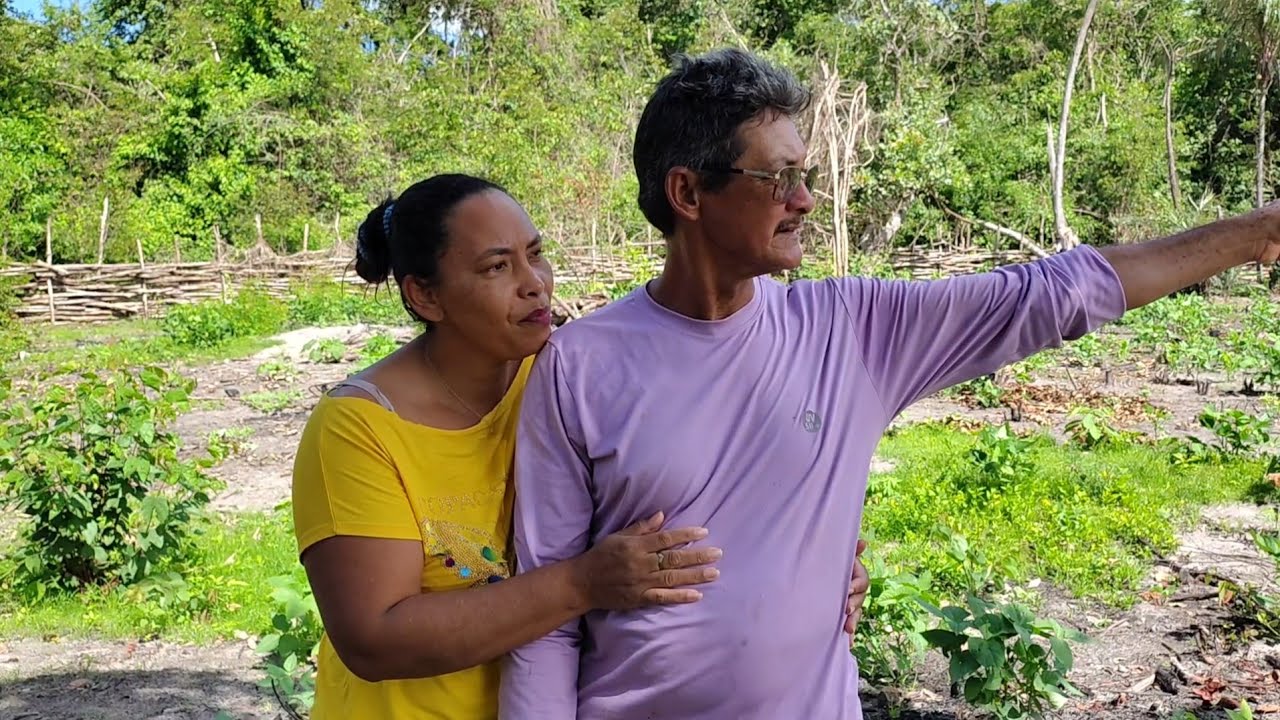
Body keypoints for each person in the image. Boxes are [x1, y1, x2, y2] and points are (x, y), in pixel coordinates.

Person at [499, 47, 1280, 720]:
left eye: (805, 174)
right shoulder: (582, 364)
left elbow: (1055, 294)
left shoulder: (853, 330)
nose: (805, 199)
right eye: (778, 178)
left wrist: (1253, 234)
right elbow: (545, 619)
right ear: (688, 194)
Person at [289, 173, 871, 719]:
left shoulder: (565, 377)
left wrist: (810, 568)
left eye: (536, 254)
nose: (534, 283)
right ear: (425, 296)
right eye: (497, 267)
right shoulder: (358, 431)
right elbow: (375, 639)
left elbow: (678, 502)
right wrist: (581, 583)